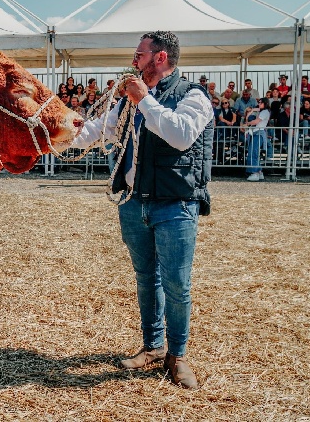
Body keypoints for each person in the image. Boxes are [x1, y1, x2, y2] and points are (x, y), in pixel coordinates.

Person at [72, 31, 212, 389]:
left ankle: (177, 355)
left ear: (160, 58)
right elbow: (98, 130)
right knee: (146, 277)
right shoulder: (130, 101)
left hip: (175, 203)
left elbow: (179, 135)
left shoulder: (193, 96)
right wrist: (56, 138)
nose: (134, 61)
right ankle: (152, 346)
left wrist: (144, 99)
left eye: (139, 55)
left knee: (177, 283)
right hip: (134, 202)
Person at [242, 98, 271, 181]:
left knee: (253, 153)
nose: (259, 104)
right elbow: (256, 109)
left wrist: (248, 123)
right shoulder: (262, 111)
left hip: (258, 133)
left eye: (261, 103)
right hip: (256, 132)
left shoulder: (265, 112)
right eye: (258, 102)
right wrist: (251, 111)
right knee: (254, 152)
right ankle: (259, 171)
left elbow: (256, 121)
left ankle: (254, 172)